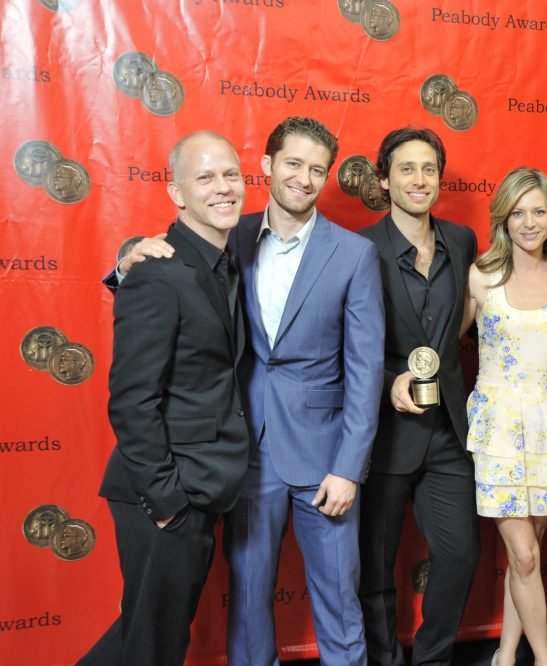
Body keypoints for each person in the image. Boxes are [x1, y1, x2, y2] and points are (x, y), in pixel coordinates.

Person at [107, 117, 385, 666]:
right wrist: (125, 262)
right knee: (250, 604)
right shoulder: (229, 233)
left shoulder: (354, 255)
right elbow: (168, 273)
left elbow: (366, 368)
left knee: (340, 602)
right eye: (293, 163)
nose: (303, 178)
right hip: (242, 457)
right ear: (267, 166)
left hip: (324, 457)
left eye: (316, 169)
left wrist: (350, 466)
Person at [81, 131, 252, 666]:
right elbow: (131, 400)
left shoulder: (228, 258)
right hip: (162, 495)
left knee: (150, 636)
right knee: (153, 644)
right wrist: (166, 501)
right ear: (177, 194)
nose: (223, 188)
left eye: (231, 174)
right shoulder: (156, 272)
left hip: (202, 485)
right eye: (205, 177)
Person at [461, 168, 547, 666]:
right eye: (518, 212)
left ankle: (504, 654)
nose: (529, 222)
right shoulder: (482, 275)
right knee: (522, 556)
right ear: (504, 218)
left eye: (538, 211)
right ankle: (543, 660)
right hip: (497, 426)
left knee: (531, 557)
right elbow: (443, 341)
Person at [356, 127, 481, 666]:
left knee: (459, 556)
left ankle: (432, 660)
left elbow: (486, 321)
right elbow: (344, 341)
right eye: (406, 168)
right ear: (384, 179)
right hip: (382, 434)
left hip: (449, 431)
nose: (419, 179)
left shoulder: (463, 241)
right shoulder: (359, 248)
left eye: (429, 168)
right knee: (374, 566)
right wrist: (389, 381)